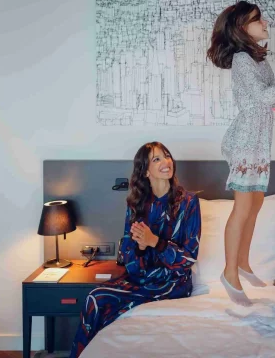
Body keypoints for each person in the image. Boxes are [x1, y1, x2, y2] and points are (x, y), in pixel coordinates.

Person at [207, 0, 275, 306]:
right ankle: (229, 272)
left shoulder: (257, 60)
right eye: (258, 20)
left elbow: (272, 94)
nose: (265, 23)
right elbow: (263, 98)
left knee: (253, 205)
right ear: (242, 28)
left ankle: (242, 262)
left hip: (257, 143)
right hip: (245, 142)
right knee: (243, 209)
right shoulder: (242, 59)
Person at [69, 142, 201, 357]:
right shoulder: (136, 204)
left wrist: (155, 242)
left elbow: (188, 259)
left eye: (166, 156)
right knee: (96, 297)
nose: (166, 162)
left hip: (172, 284)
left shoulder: (189, 203)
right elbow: (126, 257)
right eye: (156, 159)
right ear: (146, 171)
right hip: (140, 279)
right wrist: (139, 247)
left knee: (110, 307)